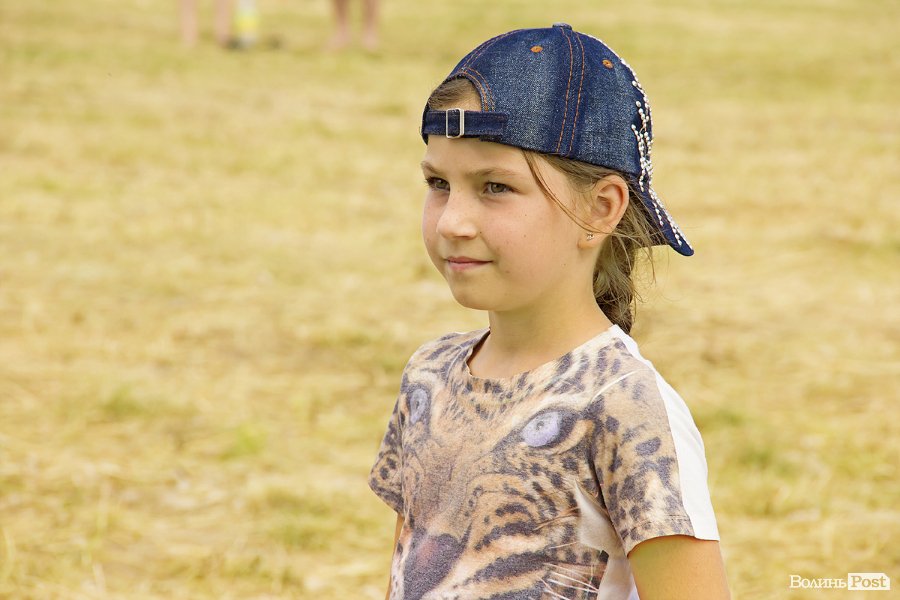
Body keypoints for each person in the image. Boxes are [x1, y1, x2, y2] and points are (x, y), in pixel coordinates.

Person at [368, 23, 731, 600]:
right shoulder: (428, 375)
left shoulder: (624, 407)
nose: (452, 221)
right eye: (438, 183)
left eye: (495, 187)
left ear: (600, 209)